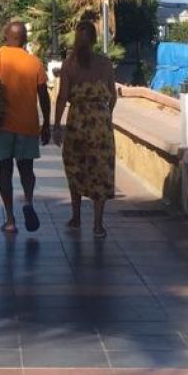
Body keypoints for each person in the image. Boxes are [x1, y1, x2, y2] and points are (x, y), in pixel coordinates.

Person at [0, 21, 51, 233]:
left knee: (5, 170)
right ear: (25, 39)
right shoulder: (34, 62)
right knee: (27, 169)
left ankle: (10, 219)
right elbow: (43, 95)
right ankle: (28, 201)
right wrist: (46, 123)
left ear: (5, 36)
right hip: (28, 124)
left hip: (1, 124)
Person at [53, 20, 117, 237]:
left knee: (75, 167)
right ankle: (98, 224)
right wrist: (104, 114)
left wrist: (56, 125)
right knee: (100, 169)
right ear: (94, 39)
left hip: (78, 121)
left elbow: (62, 97)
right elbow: (113, 96)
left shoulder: (69, 64)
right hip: (100, 123)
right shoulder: (105, 63)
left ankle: (76, 216)